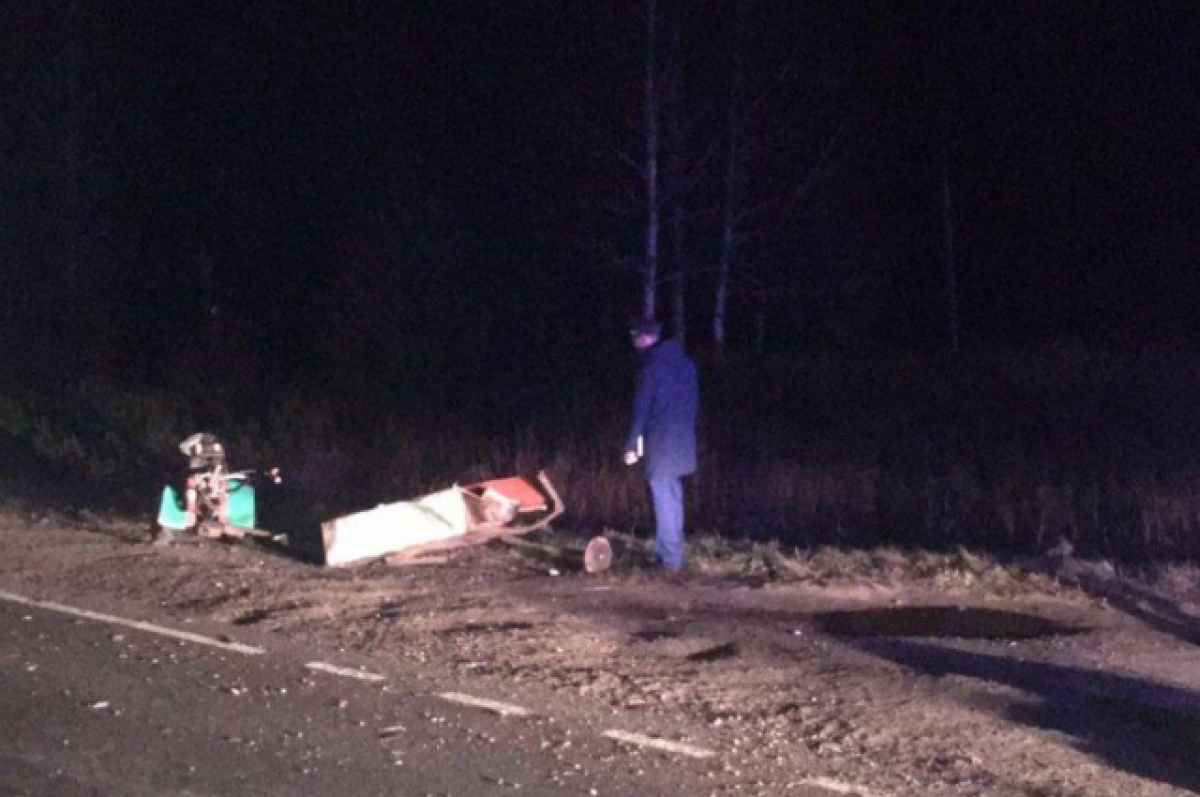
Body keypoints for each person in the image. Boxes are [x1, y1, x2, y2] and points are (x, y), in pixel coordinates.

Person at [624, 317, 699, 574]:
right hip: (683, 440)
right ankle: (670, 553)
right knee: (674, 495)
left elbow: (641, 411)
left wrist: (631, 444)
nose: (635, 344)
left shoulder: (651, 368)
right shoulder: (687, 364)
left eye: (636, 338)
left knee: (663, 498)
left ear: (646, 338)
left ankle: (669, 561)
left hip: (661, 443)